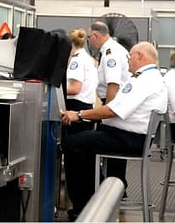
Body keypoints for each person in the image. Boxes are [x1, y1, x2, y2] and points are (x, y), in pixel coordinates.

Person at [60, 42, 167, 220]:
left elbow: (113, 110)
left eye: (130, 56)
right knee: (84, 140)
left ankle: (84, 205)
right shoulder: (148, 78)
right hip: (129, 136)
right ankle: (96, 193)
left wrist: (78, 114)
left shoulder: (144, 80)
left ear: (140, 55)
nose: (128, 61)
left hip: (128, 139)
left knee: (72, 143)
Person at [88, 21, 131, 105]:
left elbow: (113, 84)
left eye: (89, 37)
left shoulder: (111, 53)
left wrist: (107, 108)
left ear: (95, 36)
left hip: (116, 101)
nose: (89, 41)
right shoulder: (114, 49)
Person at [65, 28, 98, 135]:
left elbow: (75, 88)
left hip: (76, 106)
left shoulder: (77, 60)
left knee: (72, 143)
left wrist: (56, 91)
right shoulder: (87, 58)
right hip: (86, 105)